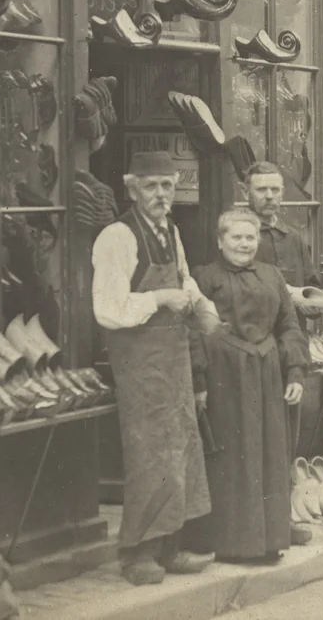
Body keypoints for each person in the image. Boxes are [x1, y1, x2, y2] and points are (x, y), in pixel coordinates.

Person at [91, 151, 216, 585]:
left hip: (174, 358)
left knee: (181, 447)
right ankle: (136, 554)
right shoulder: (116, 237)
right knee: (149, 455)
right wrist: (160, 300)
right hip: (140, 363)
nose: (161, 195)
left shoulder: (170, 231)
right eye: (151, 186)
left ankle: (170, 547)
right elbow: (108, 309)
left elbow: (184, 282)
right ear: (132, 189)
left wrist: (203, 308)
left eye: (167, 186)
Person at [192, 207, 312, 563]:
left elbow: (289, 326)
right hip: (224, 377)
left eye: (250, 237)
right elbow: (194, 331)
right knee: (232, 457)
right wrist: (200, 376)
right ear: (220, 240)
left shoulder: (272, 276)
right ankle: (233, 544)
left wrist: (295, 372)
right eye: (236, 237)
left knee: (270, 455)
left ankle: (267, 541)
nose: (244, 244)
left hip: (267, 377)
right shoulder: (205, 278)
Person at [243, 161, 323, 461]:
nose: (269, 196)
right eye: (261, 189)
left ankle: (286, 493)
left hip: (291, 348)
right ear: (247, 192)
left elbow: (312, 286)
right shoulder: (238, 237)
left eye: (275, 189)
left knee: (289, 424)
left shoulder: (293, 238)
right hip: (250, 346)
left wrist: (318, 303)